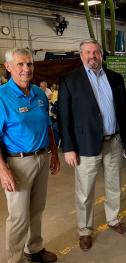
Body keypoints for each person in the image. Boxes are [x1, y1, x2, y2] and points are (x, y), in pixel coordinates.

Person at [58, 39, 126, 251]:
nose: (92, 56)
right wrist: (69, 147)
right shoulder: (70, 80)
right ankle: (85, 230)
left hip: (114, 141)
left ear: (101, 55)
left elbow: (124, 110)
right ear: (81, 56)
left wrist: (125, 139)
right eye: (88, 52)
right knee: (85, 191)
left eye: (96, 52)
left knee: (113, 185)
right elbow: (64, 117)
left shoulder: (115, 78)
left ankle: (113, 219)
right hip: (85, 145)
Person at [0, 48, 60, 263]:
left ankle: (34, 248)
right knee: (18, 217)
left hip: (41, 158)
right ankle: (14, 259)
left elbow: (48, 127)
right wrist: (3, 170)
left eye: (29, 64)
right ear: (8, 67)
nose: (26, 69)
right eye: (20, 64)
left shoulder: (38, 93)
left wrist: (54, 153)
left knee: (37, 209)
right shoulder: (2, 97)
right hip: (17, 163)